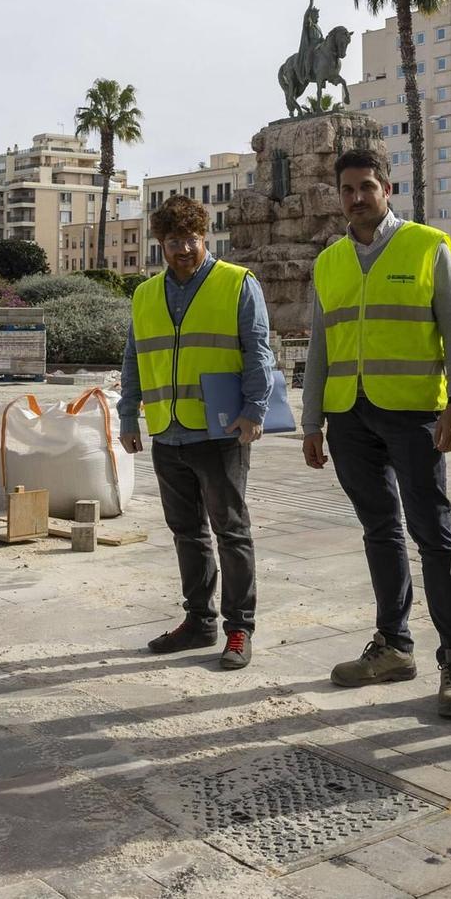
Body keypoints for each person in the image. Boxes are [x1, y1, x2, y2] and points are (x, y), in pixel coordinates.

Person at [302, 148, 451, 718]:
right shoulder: (328, 261)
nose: (357, 198)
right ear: (340, 195)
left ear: (387, 189)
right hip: (349, 416)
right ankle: (394, 647)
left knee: (435, 534)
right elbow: (319, 347)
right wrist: (312, 422)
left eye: (367, 187)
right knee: (380, 530)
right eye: (348, 189)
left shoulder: (428, 246)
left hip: (413, 416)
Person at [119, 195, 273, 670]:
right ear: (159, 244)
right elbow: (134, 357)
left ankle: (238, 628)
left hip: (221, 430)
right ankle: (199, 621)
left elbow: (258, 351)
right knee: (187, 533)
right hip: (168, 431)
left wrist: (255, 409)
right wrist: (128, 415)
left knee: (231, 531)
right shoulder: (145, 294)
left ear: (205, 236)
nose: (182, 249)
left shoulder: (236, 283)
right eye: (171, 241)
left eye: (189, 239)